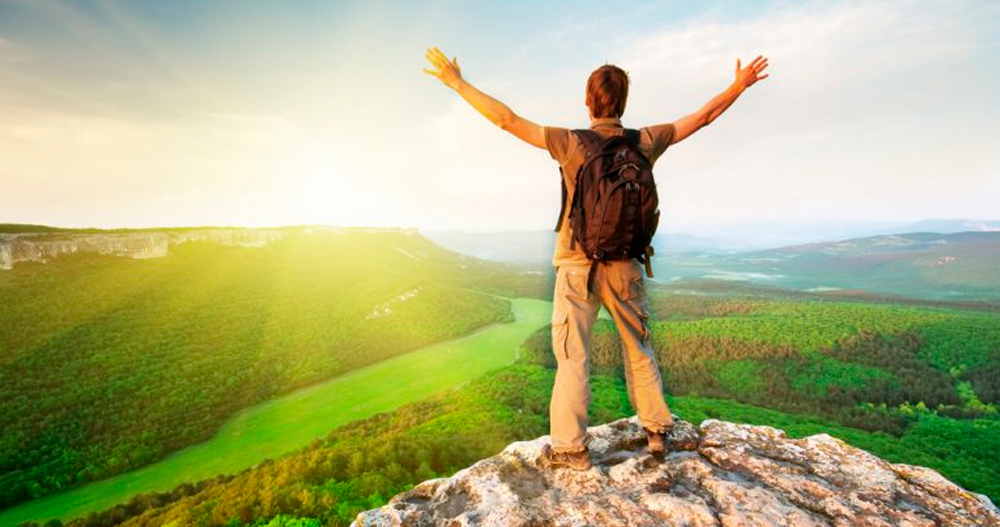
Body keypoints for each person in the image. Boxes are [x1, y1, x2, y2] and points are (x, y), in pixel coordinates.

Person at [423, 46, 769, 470]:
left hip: (576, 266)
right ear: (623, 103)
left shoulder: (569, 143)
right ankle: (657, 432)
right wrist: (738, 85)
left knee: (573, 356)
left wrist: (457, 82)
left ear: (588, 101)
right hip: (626, 264)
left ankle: (571, 449)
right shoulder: (644, 141)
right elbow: (702, 118)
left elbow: (506, 120)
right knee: (638, 346)